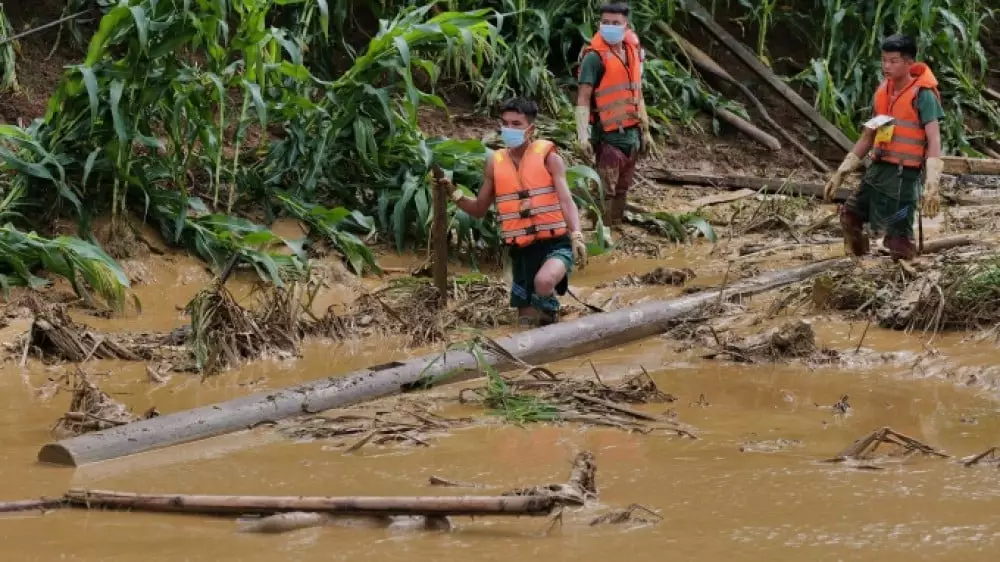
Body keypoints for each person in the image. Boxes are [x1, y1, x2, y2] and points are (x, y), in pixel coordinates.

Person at [437, 97, 587, 327]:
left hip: (555, 244)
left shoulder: (550, 158)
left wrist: (576, 234)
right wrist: (452, 192)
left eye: (516, 124)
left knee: (544, 282)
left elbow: (566, 201)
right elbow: (478, 209)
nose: (509, 129)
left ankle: (552, 319)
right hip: (521, 251)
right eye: (505, 123)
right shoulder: (495, 163)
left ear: (531, 129)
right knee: (525, 321)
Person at [823, 34, 944, 260]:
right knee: (849, 217)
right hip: (877, 171)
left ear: (909, 63)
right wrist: (841, 171)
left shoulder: (923, 95)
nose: (886, 66)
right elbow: (868, 136)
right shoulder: (883, 92)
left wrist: (932, 183)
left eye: (893, 61)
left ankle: (907, 273)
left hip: (903, 178)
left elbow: (934, 139)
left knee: (898, 240)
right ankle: (860, 266)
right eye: (884, 60)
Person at [575, 2, 654, 227]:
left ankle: (616, 226)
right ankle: (601, 231)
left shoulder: (633, 53)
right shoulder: (594, 58)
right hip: (609, 137)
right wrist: (582, 136)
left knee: (622, 188)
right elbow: (582, 97)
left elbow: (637, 94)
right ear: (599, 24)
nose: (610, 27)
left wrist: (646, 131)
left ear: (625, 25)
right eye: (605, 22)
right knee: (605, 191)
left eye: (615, 23)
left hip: (632, 136)